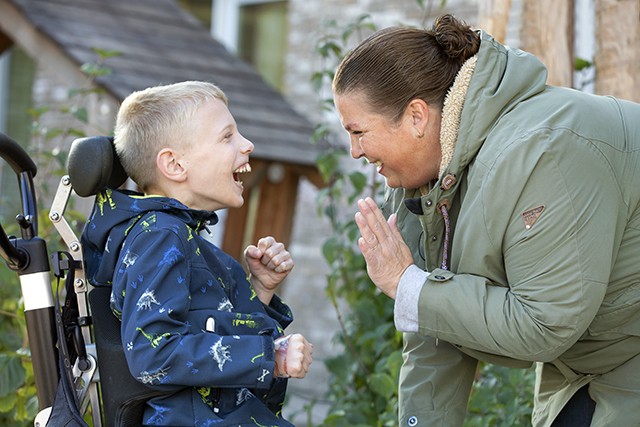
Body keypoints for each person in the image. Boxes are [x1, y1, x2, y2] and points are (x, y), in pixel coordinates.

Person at [332, 13, 640, 427]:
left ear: (417, 117)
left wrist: (410, 287)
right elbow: (434, 327)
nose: (354, 152)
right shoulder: (425, 180)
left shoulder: (544, 153)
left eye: (358, 132)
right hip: (589, 359)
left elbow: (543, 323)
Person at [81, 81, 313, 426]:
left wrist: (260, 291)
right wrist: (270, 356)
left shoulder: (178, 236)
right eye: (226, 137)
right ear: (174, 165)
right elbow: (154, 352)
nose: (247, 145)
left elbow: (206, 333)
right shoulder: (159, 236)